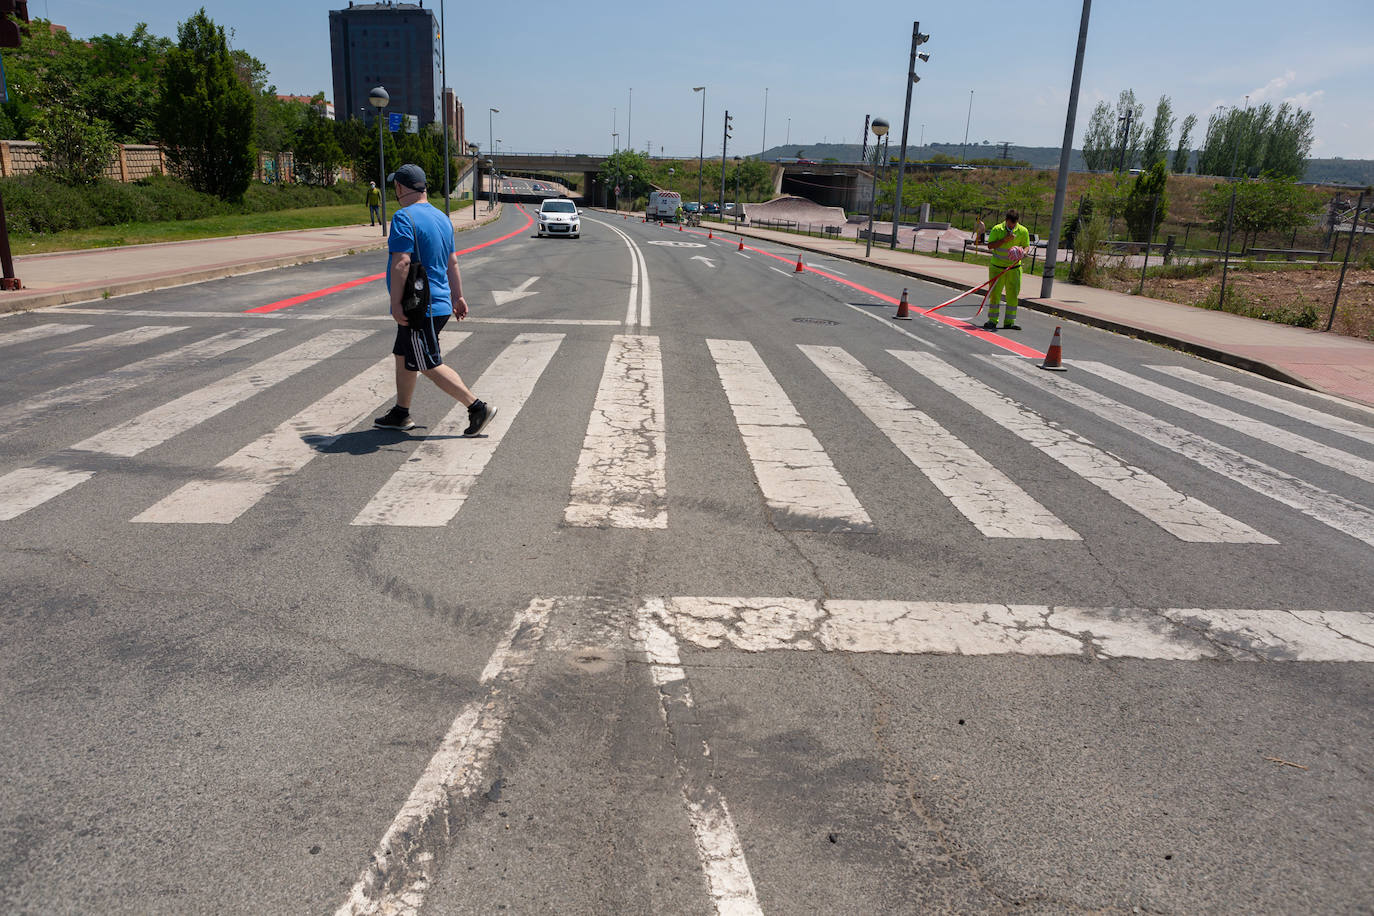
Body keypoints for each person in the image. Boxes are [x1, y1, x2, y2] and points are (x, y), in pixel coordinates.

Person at [373, 164, 496, 437]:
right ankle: (401, 413)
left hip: (419, 306)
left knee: (427, 361)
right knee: (404, 354)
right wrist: (458, 296)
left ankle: (477, 407)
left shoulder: (404, 217)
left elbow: (402, 262)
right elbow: (452, 262)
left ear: (400, 188)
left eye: (395, 187)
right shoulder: (443, 218)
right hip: (437, 303)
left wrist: (395, 304)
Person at [983, 209, 1031, 331]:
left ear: (1017, 222)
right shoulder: (997, 229)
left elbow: (1026, 245)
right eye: (1010, 224)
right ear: (1006, 221)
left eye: (1014, 225)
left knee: (1013, 294)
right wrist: (1004, 240)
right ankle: (992, 320)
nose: (1011, 227)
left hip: (1014, 268)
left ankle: (1009, 322)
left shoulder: (1023, 231)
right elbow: (990, 245)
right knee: (995, 295)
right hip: (997, 268)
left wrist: (1024, 253)